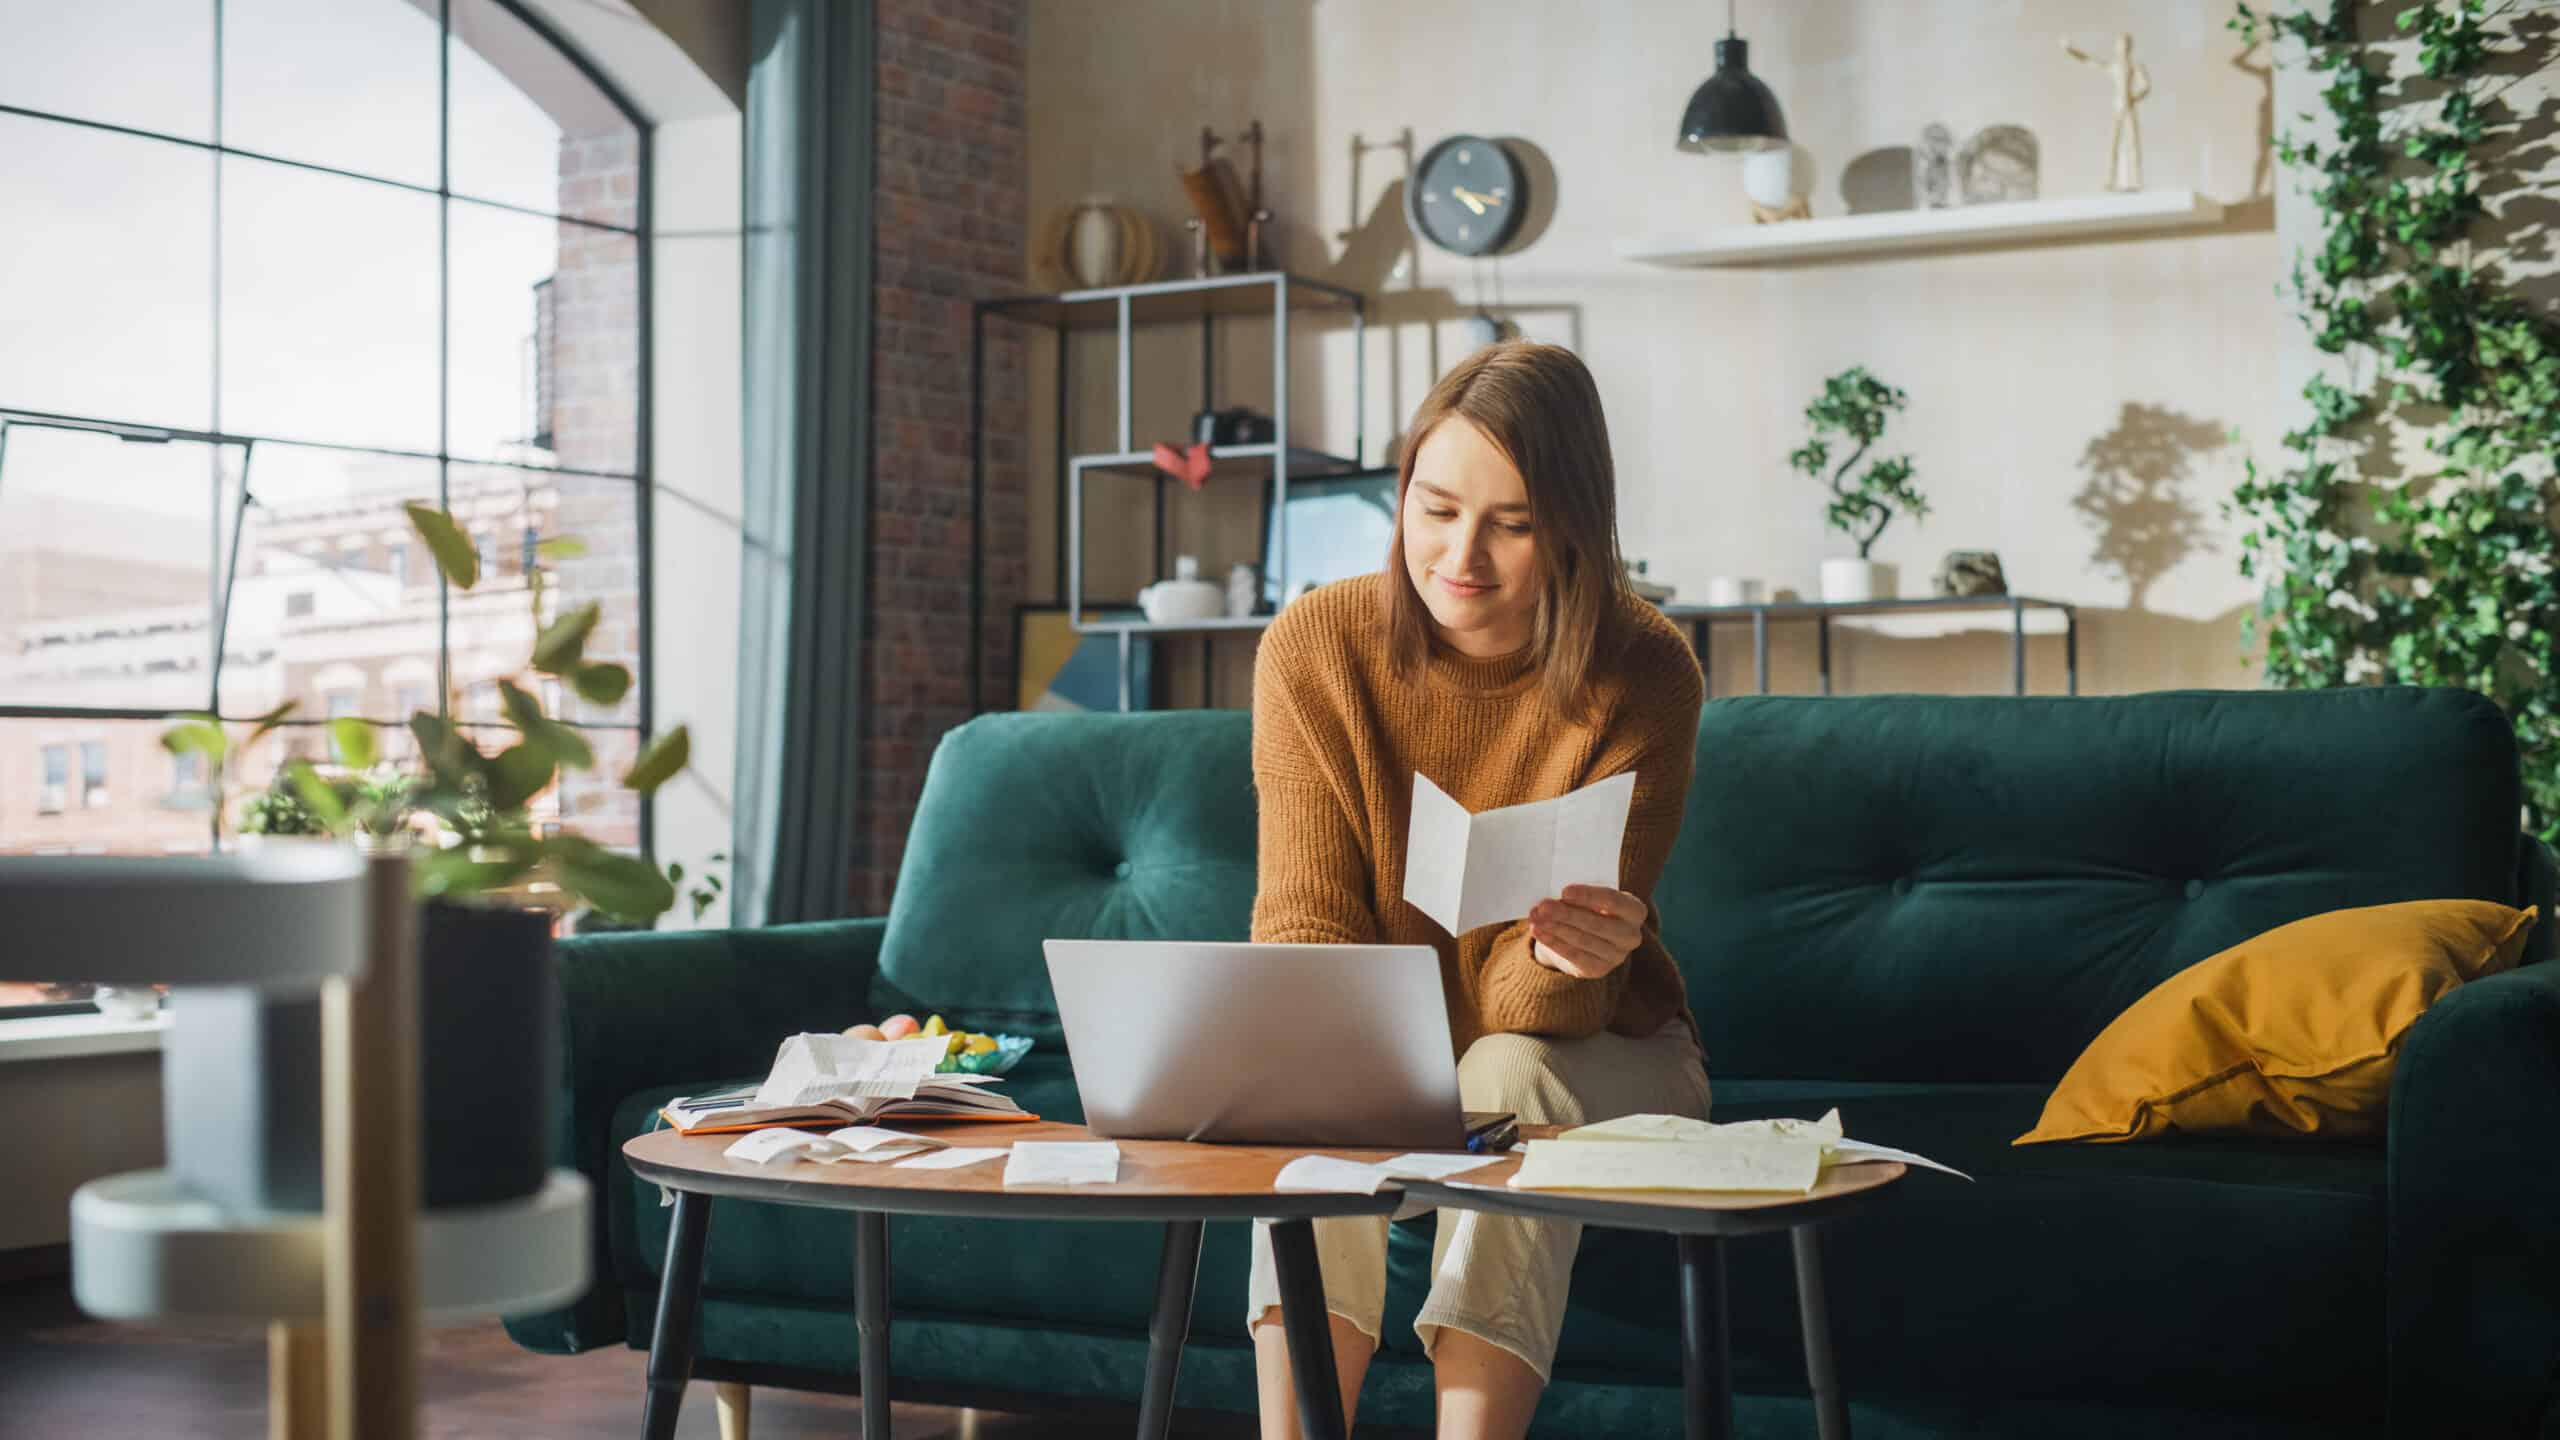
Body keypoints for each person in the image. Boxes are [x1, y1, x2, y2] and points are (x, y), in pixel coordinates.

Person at [1245, 340, 1711, 1440]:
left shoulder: (1642, 668)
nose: (1460, 557)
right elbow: (1303, 928)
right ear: (1399, 491)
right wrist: (1355, 1069)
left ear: (1570, 529)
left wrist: (1558, 956)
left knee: (1507, 1068)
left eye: (1509, 524)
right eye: (1435, 507)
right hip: (1387, 1056)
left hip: (1601, 1048)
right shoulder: (1315, 648)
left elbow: (1541, 1011)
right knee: (1318, 1085)